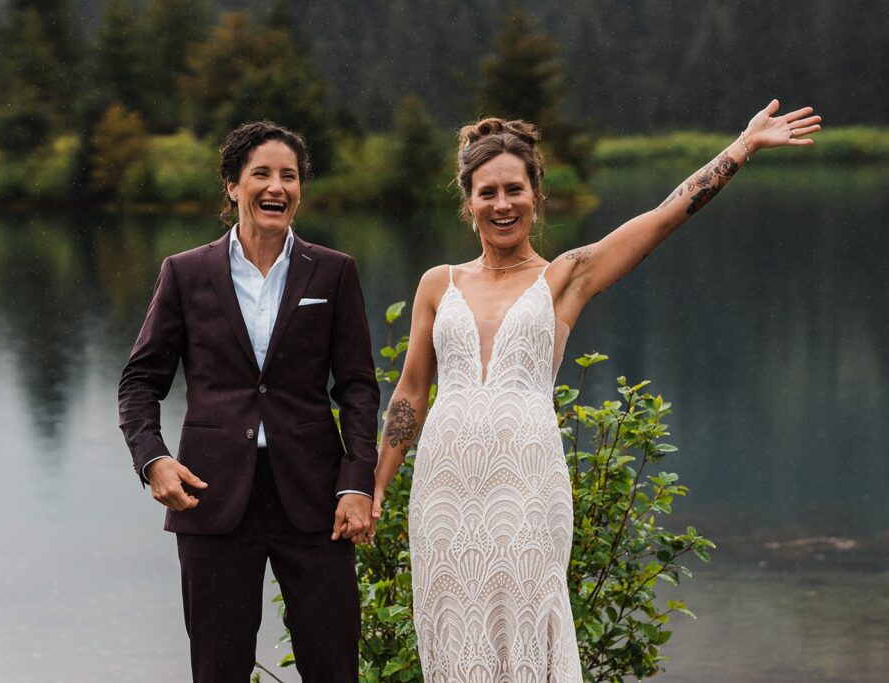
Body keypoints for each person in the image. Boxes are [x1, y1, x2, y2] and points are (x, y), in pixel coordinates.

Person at [369, 99, 821, 682]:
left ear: (537, 194)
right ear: (469, 202)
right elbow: (409, 394)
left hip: (528, 488)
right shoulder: (439, 283)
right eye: (488, 193)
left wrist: (741, 147)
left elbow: (663, 218)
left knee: (530, 628)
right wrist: (376, 486)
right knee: (453, 638)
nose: (502, 204)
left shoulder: (565, 276)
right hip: (444, 493)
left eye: (514, 189)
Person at [118, 120, 380, 682]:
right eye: (261, 174)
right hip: (209, 498)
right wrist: (153, 459)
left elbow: (357, 387)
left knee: (334, 668)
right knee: (218, 670)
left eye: (289, 176)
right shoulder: (185, 274)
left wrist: (357, 483)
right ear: (232, 186)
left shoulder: (333, 272)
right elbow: (140, 383)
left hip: (316, 500)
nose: (276, 188)